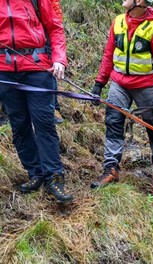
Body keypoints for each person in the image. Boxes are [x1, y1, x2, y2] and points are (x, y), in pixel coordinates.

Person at [90, 0, 153, 188]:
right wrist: (99, 83)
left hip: (145, 85)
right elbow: (108, 54)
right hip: (119, 83)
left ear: (140, 2)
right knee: (113, 122)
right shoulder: (118, 22)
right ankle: (111, 169)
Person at [0, 0, 73, 203]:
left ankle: (54, 177)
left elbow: (55, 27)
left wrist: (59, 59)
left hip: (37, 67)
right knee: (19, 126)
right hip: (4, 72)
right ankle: (35, 173)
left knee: (44, 123)